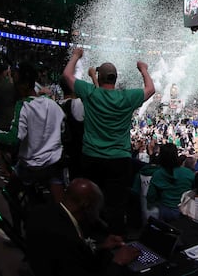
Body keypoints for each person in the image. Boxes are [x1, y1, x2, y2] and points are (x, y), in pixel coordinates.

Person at [62, 47, 155, 235]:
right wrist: (143, 69)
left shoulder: (90, 93)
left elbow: (66, 75)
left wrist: (75, 56)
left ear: (99, 76)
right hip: (119, 160)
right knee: (116, 205)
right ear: (115, 78)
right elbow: (151, 89)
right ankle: (116, 243)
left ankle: (89, 238)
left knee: (89, 202)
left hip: (91, 157)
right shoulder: (126, 97)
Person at [0, 62, 67, 202]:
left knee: (10, 193)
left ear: (24, 85)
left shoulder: (23, 106)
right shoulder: (52, 104)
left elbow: (13, 138)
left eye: (16, 83)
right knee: (61, 204)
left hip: (31, 166)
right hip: (54, 163)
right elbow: (62, 127)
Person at [25, 178, 140, 276]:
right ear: (86, 205)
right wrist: (118, 262)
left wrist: (100, 246)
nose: (97, 215)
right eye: (97, 209)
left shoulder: (40, 211)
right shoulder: (68, 239)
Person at [146, 143, 195, 222]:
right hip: (185, 212)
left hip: (165, 211)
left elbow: (151, 196)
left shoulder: (157, 174)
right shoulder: (188, 173)